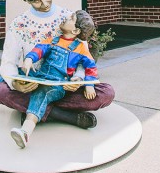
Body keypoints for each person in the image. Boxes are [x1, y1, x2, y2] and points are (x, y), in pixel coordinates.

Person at [0, 0, 115, 128]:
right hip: (33, 84)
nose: (44, 3)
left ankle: (35, 111)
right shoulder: (19, 24)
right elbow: (8, 62)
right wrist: (15, 85)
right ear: (26, 0)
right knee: (1, 91)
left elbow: (83, 56)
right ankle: (67, 117)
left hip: (63, 88)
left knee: (106, 93)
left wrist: (79, 80)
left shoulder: (69, 17)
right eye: (36, 1)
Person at [10, 9, 98, 148]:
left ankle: (25, 132)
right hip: (41, 76)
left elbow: (91, 67)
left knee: (41, 93)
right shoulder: (54, 40)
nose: (67, 17)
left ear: (75, 31)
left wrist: (89, 85)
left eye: (71, 19)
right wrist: (29, 59)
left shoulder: (81, 48)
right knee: (16, 74)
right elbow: (40, 49)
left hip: (57, 85)